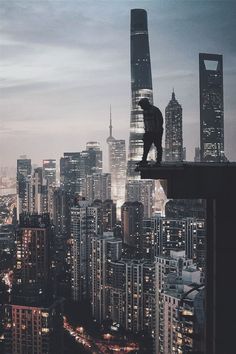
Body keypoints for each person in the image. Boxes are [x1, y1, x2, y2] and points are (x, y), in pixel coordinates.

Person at [137, 97, 163, 166]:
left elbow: (159, 121)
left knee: (158, 146)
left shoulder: (155, 110)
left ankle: (158, 161)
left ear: (145, 104)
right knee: (146, 146)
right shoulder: (145, 111)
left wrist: (157, 131)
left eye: (142, 106)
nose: (141, 108)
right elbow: (145, 122)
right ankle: (144, 160)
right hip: (149, 132)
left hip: (156, 132)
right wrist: (146, 131)